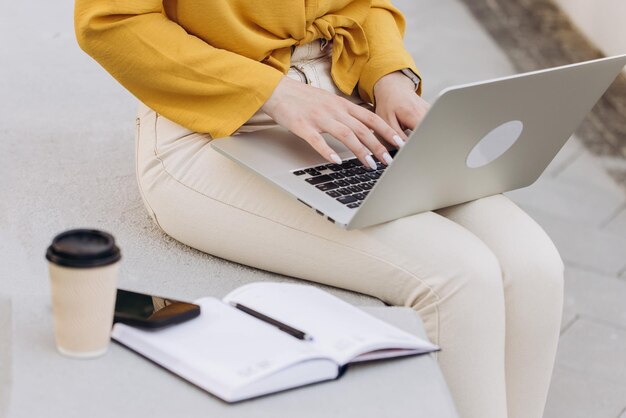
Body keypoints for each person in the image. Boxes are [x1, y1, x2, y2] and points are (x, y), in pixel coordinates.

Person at [74, 1, 564, 417]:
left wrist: (391, 78)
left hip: (349, 115)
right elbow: (111, 22)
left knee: (533, 264)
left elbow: (362, 9)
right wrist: (274, 92)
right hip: (213, 128)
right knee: (461, 276)